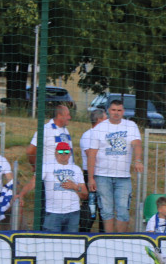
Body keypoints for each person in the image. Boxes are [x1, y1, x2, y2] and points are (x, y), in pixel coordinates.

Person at [87, 99, 144, 233]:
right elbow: (92, 154)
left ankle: (120, 240)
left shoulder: (131, 126)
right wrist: (91, 178)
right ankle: (109, 239)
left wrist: (137, 160)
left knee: (123, 210)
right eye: (113, 110)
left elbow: (137, 144)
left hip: (123, 177)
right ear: (108, 111)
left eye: (119, 110)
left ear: (123, 111)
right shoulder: (99, 128)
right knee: (106, 211)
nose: (116, 113)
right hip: (102, 176)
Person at [19, 141, 86, 233]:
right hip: (53, 212)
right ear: (55, 152)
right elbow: (32, 183)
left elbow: (85, 194)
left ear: (70, 153)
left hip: (73, 213)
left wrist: (75, 187)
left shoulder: (76, 169)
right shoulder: (46, 166)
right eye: (61, 152)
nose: (63, 154)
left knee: (71, 243)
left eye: (66, 152)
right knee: (51, 243)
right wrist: (21, 194)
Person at [79, 108, 106, 233]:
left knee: (105, 208)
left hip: (104, 174)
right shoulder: (87, 135)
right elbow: (91, 155)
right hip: (91, 175)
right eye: (106, 119)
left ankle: (104, 234)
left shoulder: (105, 136)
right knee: (90, 207)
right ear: (99, 120)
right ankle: (83, 234)